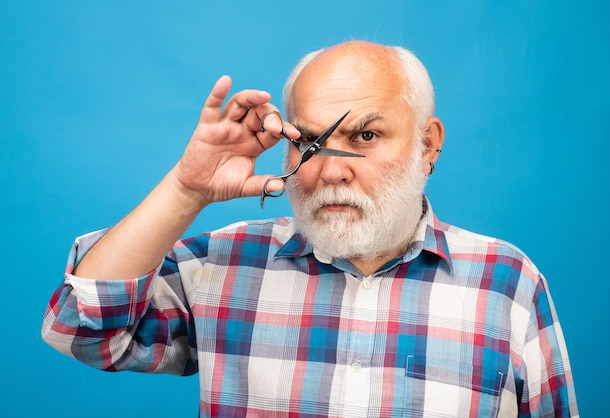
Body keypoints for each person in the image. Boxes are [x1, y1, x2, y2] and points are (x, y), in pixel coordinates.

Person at [42, 40, 578, 417]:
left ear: (428, 145)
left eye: (366, 136)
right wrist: (188, 189)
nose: (329, 169)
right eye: (310, 141)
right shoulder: (222, 269)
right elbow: (80, 327)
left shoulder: (507, 284)